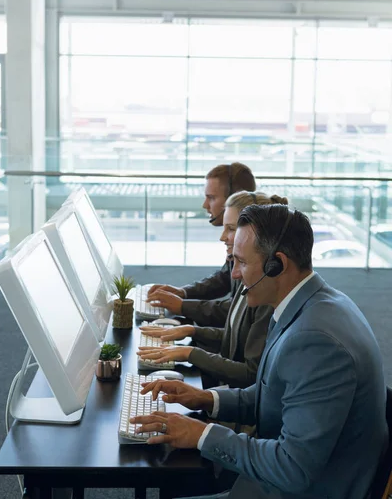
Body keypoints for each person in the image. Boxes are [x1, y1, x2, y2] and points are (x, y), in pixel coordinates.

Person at [131, 204, 388, 499]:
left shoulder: (315, 341)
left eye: (241, 262)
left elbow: (293, 469)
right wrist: (205, 398)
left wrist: (201, 434)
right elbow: (272, 394)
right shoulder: (312, 303)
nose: (235, 274)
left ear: (276, 265)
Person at [138, 191, 282, 389]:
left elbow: (251, 374)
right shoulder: (248, 275)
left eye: (231, 229)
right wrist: (192, 331)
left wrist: (191, 351)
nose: (223, 237)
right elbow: (236, 335)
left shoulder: (264, 290)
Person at [146, 162, 256, 310]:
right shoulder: (237, 238)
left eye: (211, 198)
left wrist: (183, 306)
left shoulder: (255, 245)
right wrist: (183, 293)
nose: (205, 205)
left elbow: (238, 314)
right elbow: (224, 278)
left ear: (233, 198)